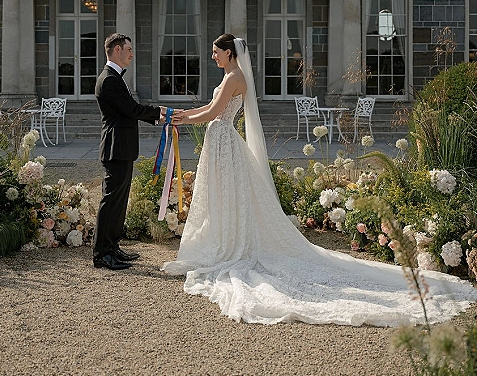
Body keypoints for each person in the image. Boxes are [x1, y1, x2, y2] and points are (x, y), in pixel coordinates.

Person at [164, 33, 476, 326]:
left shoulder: (236, 78)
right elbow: (207, 107)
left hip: (223, 140)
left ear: (229, 53)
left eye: (216, 52)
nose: (213, 57)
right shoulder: (227, 76)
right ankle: (222, 237)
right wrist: (181, 114)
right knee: (221, 195)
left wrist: (184, 116)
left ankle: (229, 243)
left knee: (227, 194)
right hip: (218, 141)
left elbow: (216, 111)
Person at [94, 33, 181, 271]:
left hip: (122, 147)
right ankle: (102, 253)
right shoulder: (109, 79)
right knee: (110, 200)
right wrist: (160, 112)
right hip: (115, 147)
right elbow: (131, 109)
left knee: (119, 200)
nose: (132, 54)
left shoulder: (115, 78)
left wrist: (158, 117)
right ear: (118, 49)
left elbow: (128, 112)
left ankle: (112, 247)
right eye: (129, 50)